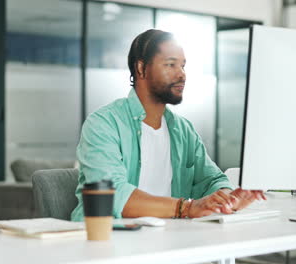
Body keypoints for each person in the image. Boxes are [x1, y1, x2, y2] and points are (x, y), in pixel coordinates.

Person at [71, 29, 264, 221]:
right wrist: (186, 207)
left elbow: (212, 179)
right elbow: (110, 195)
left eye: (183, 66)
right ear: (141, 68)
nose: (182, 74)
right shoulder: (103, 124)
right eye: (171, 65)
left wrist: (226, 199)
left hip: (170, 238)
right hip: (111, 240)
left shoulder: (183, 130)